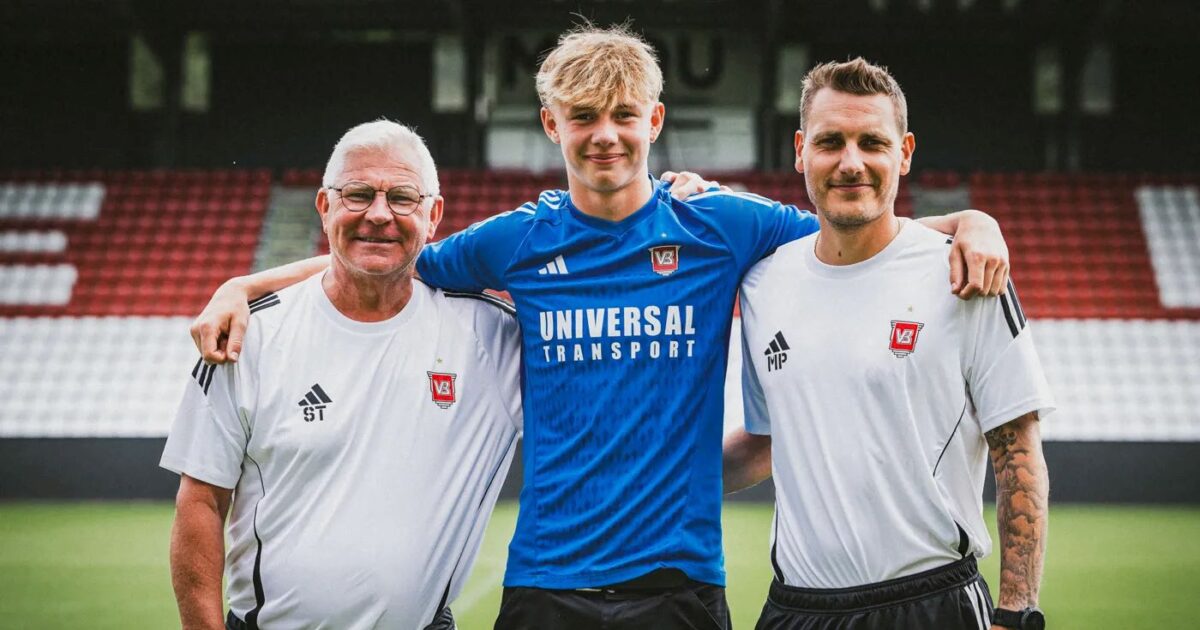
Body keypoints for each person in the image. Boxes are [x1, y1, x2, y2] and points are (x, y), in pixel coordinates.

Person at [190, 25, 1012, 629]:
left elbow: (860, 226)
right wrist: (245, 284)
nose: (605, 134)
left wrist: (968, 221)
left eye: (624, 114)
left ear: (655, 122)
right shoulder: (516, 240)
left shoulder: (721, 223)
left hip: (680, 583)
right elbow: (380, 256)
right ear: (553, 125)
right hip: (547, 582)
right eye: (583, 116)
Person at [725, 58, 1053, 630]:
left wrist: (1016, 613)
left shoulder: (965, 271)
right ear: (801, 150)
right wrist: (645, 483)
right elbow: (765, 441)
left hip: (931, 604)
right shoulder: (762, 285)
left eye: (871, 142)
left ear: (903, 153)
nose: (851, 162)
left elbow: (1016, 448)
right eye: (831, 141)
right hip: (795, 609)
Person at [161, 120, 523, 630]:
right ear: (324, 206)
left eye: (402, 197)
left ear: (433, 213)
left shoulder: (493, 336)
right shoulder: (248, 336)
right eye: (357, 194)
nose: (379, 213)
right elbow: (200, 501)